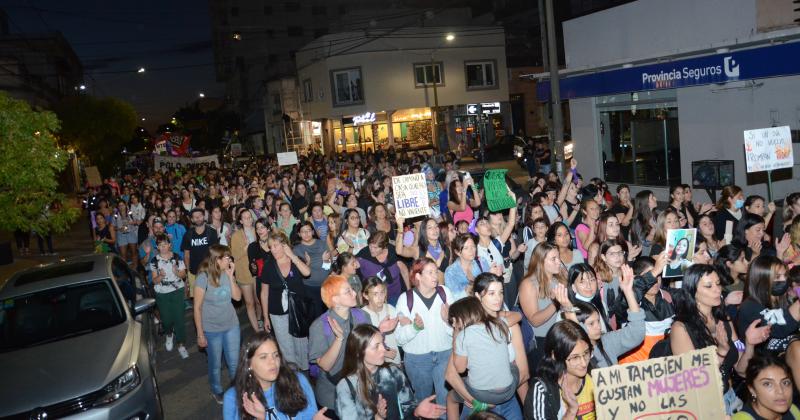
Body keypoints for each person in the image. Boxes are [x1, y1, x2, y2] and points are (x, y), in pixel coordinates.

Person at [670, 264, 770, 414]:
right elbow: (693, 381)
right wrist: (722, 352)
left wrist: (749, 344)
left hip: (730, 397)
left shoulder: (725, 319)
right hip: (704, 406)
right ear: (693, 292)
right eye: (709, 286)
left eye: (718, 283)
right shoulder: (681, 328)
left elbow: (741, 370)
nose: (718, 290)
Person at [308, 275, 393, 413]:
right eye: (348, 291)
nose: (354, 293)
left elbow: (368, 349)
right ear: (335, 300)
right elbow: (325, 365)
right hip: (332, 394)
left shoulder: (361, 316)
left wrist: (381, 331)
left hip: (361, 387)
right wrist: (338, 339)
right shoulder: (319, 326)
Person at [335, 324, 447, 419]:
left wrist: (417, 412)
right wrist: (378, 418)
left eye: (382, 343)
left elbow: (407, 409)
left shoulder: (393, 372)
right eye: (376, 346)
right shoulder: (346, 387)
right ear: (358, 352)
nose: (384, 349)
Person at [446, 295, 521, 418]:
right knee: (512, 367)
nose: (453, 326)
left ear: (460, 318)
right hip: (508, 391)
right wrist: (493, 314)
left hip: (480, 395)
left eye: (453, 322)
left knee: (461, 383)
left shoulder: (463, 336)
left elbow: (459, 369)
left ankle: (475, 402)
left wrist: (456, 333)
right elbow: (518, 315)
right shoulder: (498, 324)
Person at [395, 257, 455, 408]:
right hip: (417, 360)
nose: (436, 276)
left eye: (436, 271)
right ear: (418, 276)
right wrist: (414, 328)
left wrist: (448, 320)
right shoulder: (405, 299)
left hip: (444, 355)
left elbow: (457, 330)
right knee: (424, 403)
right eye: (430, 272)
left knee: (445, 401)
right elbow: (399, 339)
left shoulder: (445, 293)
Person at [194, 244, 243, 404]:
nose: (229, 259)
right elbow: (197, 308)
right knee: (215, 364)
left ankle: (237, 390)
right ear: (217, 260)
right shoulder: (203, 278)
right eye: (226, 257)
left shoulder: (227, 273)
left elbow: (237, 298)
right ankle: (217, 390)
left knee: (234, 362)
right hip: (211, 329)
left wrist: (230, 276)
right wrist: (200, 334)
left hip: (231, 325)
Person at [570, 263, 644, 367]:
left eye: (592, 280)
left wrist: (628, 291)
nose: (589, 285)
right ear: (573, 287)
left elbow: (636, 333)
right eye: (582, 282)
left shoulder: (606, 342)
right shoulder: (567, 313)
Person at [259, 231, 312, 371]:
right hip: (277, 312)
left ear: (285, 245)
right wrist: (265, 317)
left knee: (301, 343)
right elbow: (264, 293)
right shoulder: (269, 266)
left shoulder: (295, 260)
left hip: (298, 310)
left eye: (276, 245)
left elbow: (307, 273)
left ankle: (305, 374)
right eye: (271, 247)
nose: (273, 249)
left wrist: (292, 256)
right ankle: (292, 377)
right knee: (285, 347)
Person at [524, 320, 596, 420]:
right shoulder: (542, 390)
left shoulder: (596, 376)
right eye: (575, 358)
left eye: (586, 353)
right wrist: (571, 411)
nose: (584, 363)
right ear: (555, 356)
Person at [149, 233, 189, 359]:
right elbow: (154, 281)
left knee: (179, 318)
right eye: (160, 245)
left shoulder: (177, 257)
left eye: (165, 244)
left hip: (177, 290)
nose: (163, 247)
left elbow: (183, 275)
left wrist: (176, 271)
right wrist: (160, 276)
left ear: (170, 245)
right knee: (166, 319)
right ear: (157, 247)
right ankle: (169, 334)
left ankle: (181, 344)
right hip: (162, 292)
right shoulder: (154, 261)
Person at [733, 352, 800, 420]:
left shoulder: (793, 411)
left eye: (785, 383)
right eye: (768, 384)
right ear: (752, 389)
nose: (780, 391)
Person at [357, 231, 408, 306]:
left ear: (384, 247)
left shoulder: (393, 252)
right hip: (375, 299)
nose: (371, 249)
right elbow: (350, 271)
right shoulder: (363, 255)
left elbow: (404, 272)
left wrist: (409, 291)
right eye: (370, 246)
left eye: (375, 247)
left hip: (396, 294)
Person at [230, 208, 261, 332]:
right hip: (244, 273)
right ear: (241, 221)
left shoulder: (257, 231)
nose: (248, 220)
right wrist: (245, 249)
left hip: (258, 271)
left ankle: (259, 319)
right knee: (249, 303)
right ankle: (256, 330)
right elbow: (234, 257)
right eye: (245, 218)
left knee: (259, 300)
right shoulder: (236, 236)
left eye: (250, 217)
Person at [293, 220, 332, 318]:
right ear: (299, 234)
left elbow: (328, 268)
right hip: (309, 287)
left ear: (313, 232)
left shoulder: (321, 244)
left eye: (309, 230)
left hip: (325, 285)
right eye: (303, 231)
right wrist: (308, 263)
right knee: (316, 316)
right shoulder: (297, 249)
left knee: (329, 314)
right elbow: (298, 273)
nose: (306, 234)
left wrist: (326, 261)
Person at [361, 276, 402, 365]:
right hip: (373, 364)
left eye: (382, 293)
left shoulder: (391, 309)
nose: (380, 297)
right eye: (375, 294)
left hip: (394, 360)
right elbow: (362, 345)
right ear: (366, 295)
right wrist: (384, 352)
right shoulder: (362, 315)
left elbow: (399, 336)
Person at [445, 233, 496, 300]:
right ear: (457, 252)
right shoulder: (451, 272)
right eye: (466, 248)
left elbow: (491, 288)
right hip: (466, 308)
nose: (471, 250)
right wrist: (467, 290)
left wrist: (493, 276)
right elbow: (453, 299)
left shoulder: (482, 261)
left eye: (473, 246)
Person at [182, 208, 219, 299]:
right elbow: (186, 255)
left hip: (210, 271)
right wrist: (187, 272)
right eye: (195, 217)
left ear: (204, 216)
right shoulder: (188, 234)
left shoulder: (212, 232)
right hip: (194, 271)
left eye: (200, 216)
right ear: (192, 219)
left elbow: (216, 253)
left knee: (212, 297)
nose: (198, 218)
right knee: (198, 299)